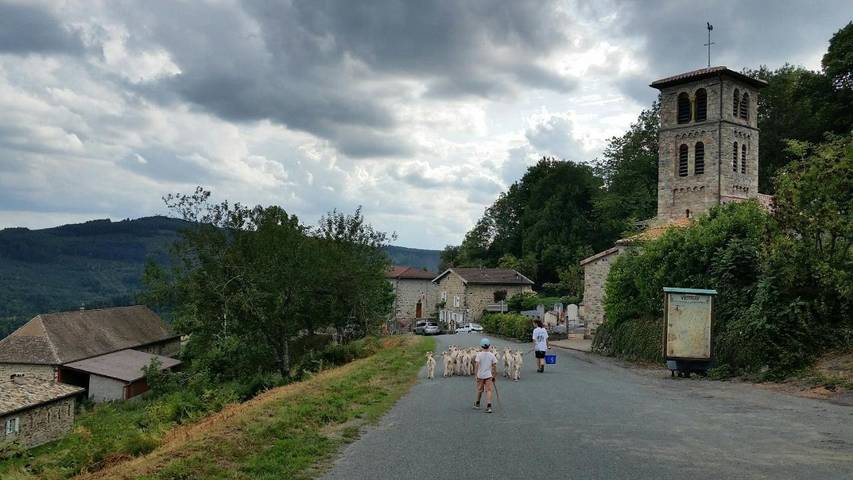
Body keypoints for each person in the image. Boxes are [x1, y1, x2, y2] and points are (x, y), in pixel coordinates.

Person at [473, 337, 498, 413]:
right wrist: (494, 376)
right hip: (488, 376)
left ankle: (477, 403)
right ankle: (489, 406)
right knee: (489, 390)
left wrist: (476, 374)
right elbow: (494, 366)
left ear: (481, 346)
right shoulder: (492, 355)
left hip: (480, 375)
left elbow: (477, 365)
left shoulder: (479, 355)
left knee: (479, 390)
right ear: (489, 346)